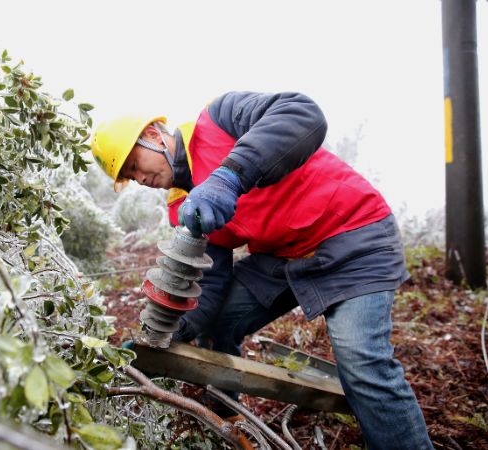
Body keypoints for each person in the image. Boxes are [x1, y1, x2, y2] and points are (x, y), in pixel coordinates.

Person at [91, 91, 433, 450]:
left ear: (152, 136)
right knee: (215, 322)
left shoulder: (218, 120)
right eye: (128, 177)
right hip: (285, 259)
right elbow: (211, 281)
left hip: (354, 239)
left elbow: (303, 114)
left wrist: (229, 176)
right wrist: (172, 332)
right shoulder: (182, 207)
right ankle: (224, 418)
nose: (139, 179)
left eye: (133, 165)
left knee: (363, 368)